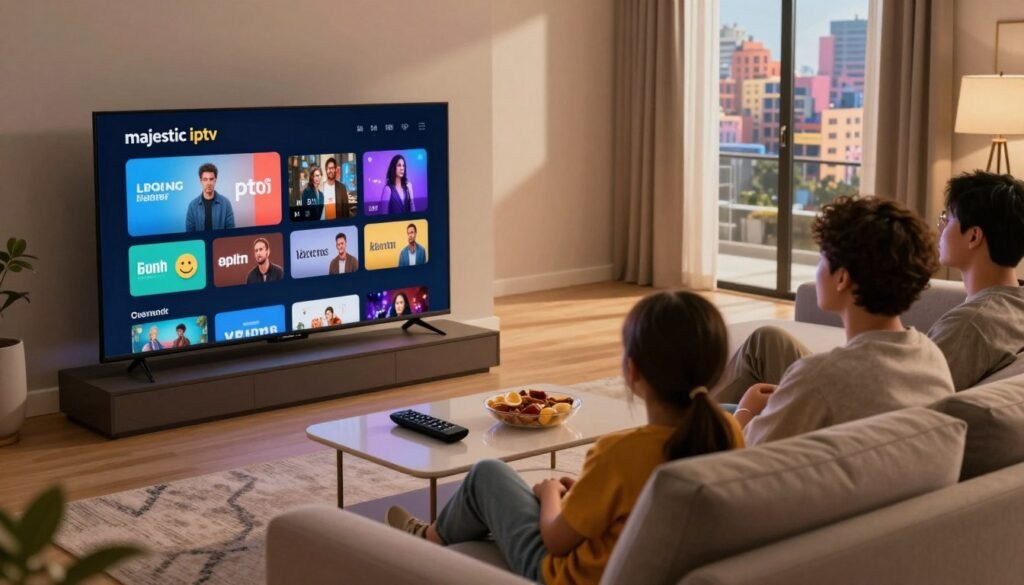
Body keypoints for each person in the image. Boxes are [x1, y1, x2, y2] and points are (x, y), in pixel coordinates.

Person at [383, 290, 744, 584]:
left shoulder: (619, 454)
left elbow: (556, 541)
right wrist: (583, 496)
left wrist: (551, 496)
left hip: (563, 576)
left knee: (487, 475)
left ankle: (427, 538)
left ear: (632, 370)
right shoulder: (728, 431)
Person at [727, 196, 955, 445]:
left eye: (821, 258)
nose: (817, 270)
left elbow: (739, 456)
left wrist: (746, 409)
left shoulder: (816, 379)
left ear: (842, 279)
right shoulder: (932, 356)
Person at [927, 171, 1024, 390]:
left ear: (973, 236)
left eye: (947, 219)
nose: (940, 228)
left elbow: (907, 391)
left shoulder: (968, 326)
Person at [185, 163, 235, 231]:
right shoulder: (192, 206)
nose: (208, 183)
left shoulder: (226, 203)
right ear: (201, 181)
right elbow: (190, 233)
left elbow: (231, 231)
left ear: (215, 180)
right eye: (205, 179)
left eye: (211, 179)